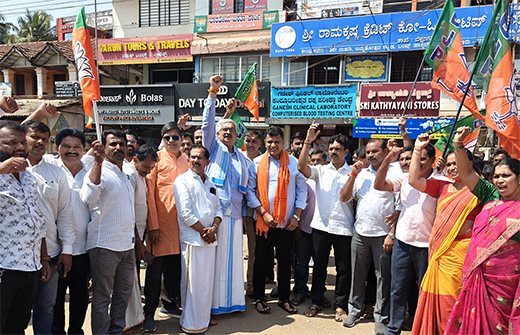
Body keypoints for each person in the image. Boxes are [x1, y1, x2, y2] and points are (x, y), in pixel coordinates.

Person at [444, 127, 520, 335]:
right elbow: (467, 173)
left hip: (507, 283)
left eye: (506, 176)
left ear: (519, 179)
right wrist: (458, 145)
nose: (499, 180)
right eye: (496, 176)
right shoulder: (491, 195)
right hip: (478, 277)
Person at [407, 133, 482, 335]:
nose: (452, 167)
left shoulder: (479, 190)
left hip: (460, 257)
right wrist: (417, 149)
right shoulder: (443, 187)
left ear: (469, 163)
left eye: (456, 162)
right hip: (438, 256)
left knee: (452, 304)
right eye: (449, 164)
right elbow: (413, 179)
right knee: (436, 303)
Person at [373, 140, 446, 335]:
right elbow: (379, 185)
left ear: (433, 160)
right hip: (403, 243)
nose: (415, 163)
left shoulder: (442, 183)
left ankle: (423, 327)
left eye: (422, 159)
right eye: (414, 159)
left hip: (427, 246)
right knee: (397, 289)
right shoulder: (404, 179)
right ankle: (393, 327)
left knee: (425, 291)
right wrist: (389, 157)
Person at [340, 139, 399, 335]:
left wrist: (392, 234)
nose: (371, 155)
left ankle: (380, 317)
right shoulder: (362, 174)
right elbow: (345, 197)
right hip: (360, 232)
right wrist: (353, 175)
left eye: (375, 151)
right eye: (368, 152)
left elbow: (399, 207)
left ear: (385, 152)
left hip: (383, 235)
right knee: (357, 274)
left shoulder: (395, 173)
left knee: (383, 277)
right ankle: (354, 310)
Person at [80, 130, 136, 335]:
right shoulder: (99, 170)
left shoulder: (126, 173)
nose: (119, 147)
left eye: (122, 143)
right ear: (104, 147)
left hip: (126, 247)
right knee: (102, 297)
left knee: (123, 296)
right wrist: (97, 162)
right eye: (113, 144)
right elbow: (88, 197)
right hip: (104, 246)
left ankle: (116, 331)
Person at [202, 76, 250, 316]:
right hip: (216, 214)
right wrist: (214, 92)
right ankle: (211, 305)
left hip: (235, 216)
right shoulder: (213, 147)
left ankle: (232, 302)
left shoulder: (242, 158)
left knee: (232, 263)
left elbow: (248, 189)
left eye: (232, 130)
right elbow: (208, 124)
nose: (228, 132)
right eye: (225, 130)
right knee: (215, 261)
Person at [297, 121, 354, 322]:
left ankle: (340, 305)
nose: (333, 152)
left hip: (344, 228)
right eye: (330, 148)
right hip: (321, 226)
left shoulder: (354, 172)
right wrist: (308, 141)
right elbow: (301, 166)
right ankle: (317, 301)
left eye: (338, 149)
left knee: (343, 269)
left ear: (346, 151)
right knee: (319, 266)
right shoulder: (321, 170)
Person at [247, 125, 306, 314]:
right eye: (270, 142)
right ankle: (259, 297)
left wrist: (296, 216)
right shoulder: (256, 163)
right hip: (264, 222)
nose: (273, 145)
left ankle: (284, 298)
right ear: (264, 143)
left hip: (286, 223)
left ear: (283, 143)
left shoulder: (294, 163)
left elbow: (301, 190)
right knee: (260, 260)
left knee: (284, 260)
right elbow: (250, 191)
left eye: (277, 142)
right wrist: (263, 213)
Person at [23, 121, 74, 335]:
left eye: (45, 139)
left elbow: (64, 213)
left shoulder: (57, 173)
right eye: (35, 137)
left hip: (51, 252)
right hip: (17, 256)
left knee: (46, 307)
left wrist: (67, 250)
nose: (40, 142)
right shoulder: (9, 169)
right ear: (24, 137)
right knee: (18, 310)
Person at [0, 120, 50, 334]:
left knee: (18, 325)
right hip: (4, 268)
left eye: (22, 142)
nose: (20, 147)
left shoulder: (29, 177)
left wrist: (44, 258)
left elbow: (37, 220)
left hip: (30, 266)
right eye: (11, 143)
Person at [144, 122, 188, 332]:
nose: (171, 140)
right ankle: (149, 314)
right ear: (162, 140)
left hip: (182, 228)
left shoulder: (187, 160)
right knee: (154, 273)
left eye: (175, 137)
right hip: (160, 228)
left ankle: (169, 304)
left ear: (181, 139)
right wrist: (153, 226)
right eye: (167, 137)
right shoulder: (157, 160)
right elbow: (150, 196)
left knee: (174, 271)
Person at [173, 144, 222, 334]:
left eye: (200, 157)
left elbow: (218, 209)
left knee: (206, 283)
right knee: (191, 283)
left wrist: (214, 227)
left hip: (209, 240)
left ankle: (203, 318)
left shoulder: (211, 183)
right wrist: (204, 232)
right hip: (193, 239)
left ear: (207, 162)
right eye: (192, 157)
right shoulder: (182, 181)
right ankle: (190, 323)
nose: (195, 160)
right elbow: (185, 213)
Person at [51, 128, 91, 335]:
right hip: (55, 248)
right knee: (55, 298)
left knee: (80, 296)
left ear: (85, 149)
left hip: (84, 248)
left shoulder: (91, 171)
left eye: (76, 147)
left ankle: (76, 331)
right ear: (57, 148)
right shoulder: (50, 169)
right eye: (66, 146)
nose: (71, 151)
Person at [123, 144, 157, 334]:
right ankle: (128, 323)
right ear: (135, 160)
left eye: (151, 168)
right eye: (146, 167)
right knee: (128, 280)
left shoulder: (140, 175)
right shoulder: (129, 176)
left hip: (137, 235)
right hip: (130, 236)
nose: (148, 171)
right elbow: (129, 211)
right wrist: (138, 242)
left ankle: (134, 320)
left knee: (134, 279)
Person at [243, 130, 263, 297]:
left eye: (254, 141)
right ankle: (250, 285)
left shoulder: (265, 161)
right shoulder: (238, 158)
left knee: (265, 251)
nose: (250, 144)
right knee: (253, 250)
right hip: (245, 213)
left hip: (265, 212)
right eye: (248, 141)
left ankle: (268, 279)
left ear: (260, 144)